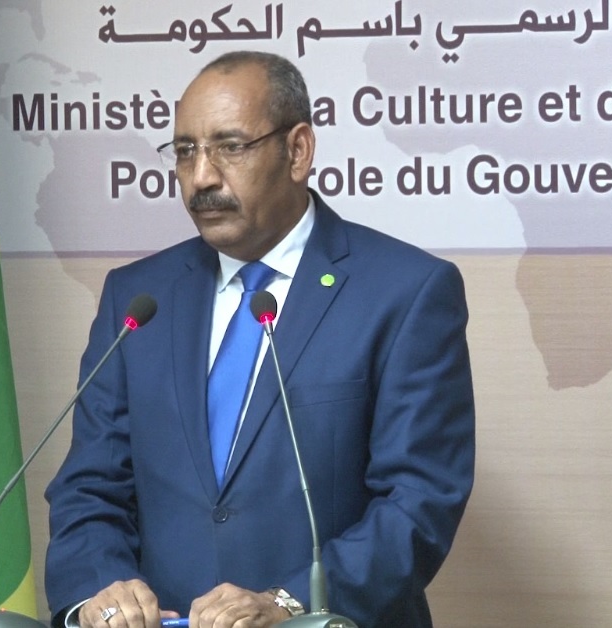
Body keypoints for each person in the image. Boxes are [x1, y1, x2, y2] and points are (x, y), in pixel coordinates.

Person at [44, 50, 475, 628]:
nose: (202, 177)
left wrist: (290, 603)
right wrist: (100, 592)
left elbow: (418, 502)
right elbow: (90, 486)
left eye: (230, 147)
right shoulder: (139, 298)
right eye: (186, 151)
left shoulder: (405, 291)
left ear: (297, 151)